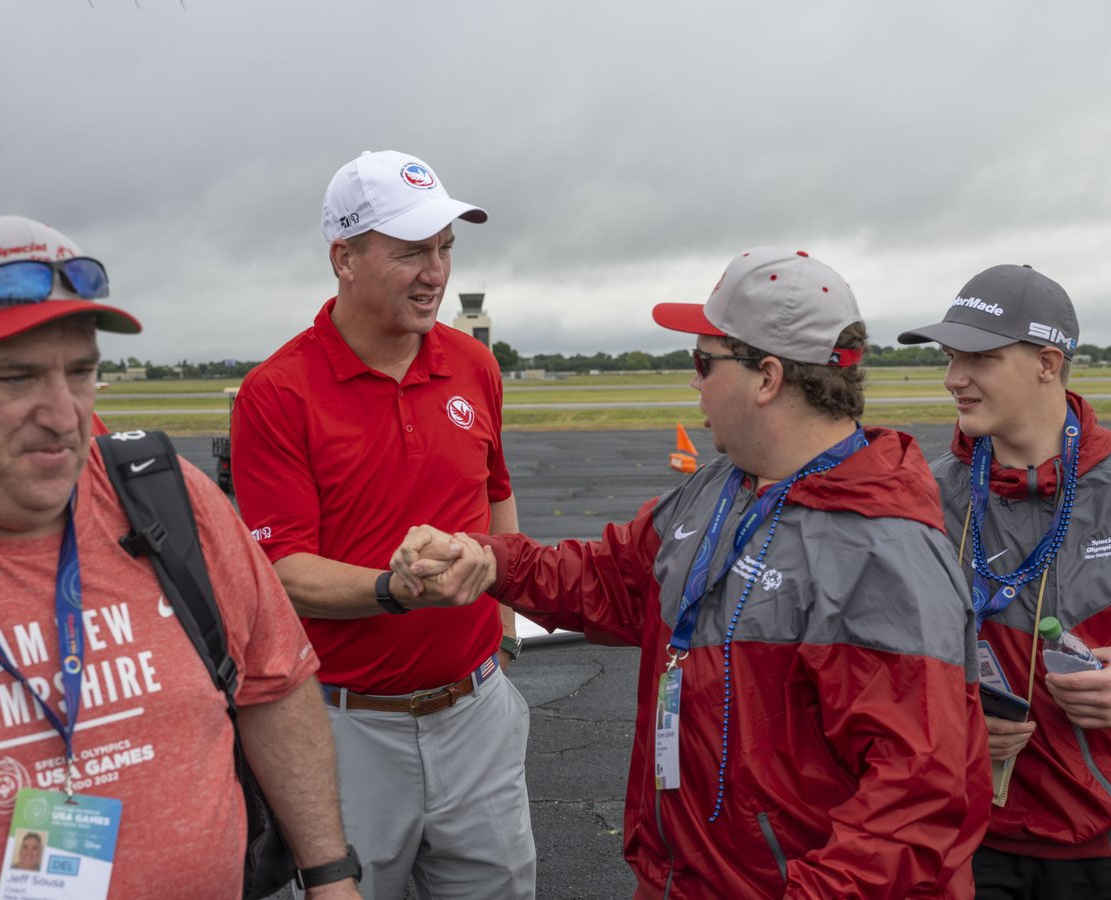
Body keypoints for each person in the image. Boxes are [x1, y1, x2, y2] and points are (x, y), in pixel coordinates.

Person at [392, 247, 993, 897]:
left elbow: (915, 799)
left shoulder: (883, 551)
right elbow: (613, 580)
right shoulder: (720, 488)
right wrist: (489, 561)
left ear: (767, 378)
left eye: (704, 362)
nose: (692, 383)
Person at [0, 215, 361, 899]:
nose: (62, 413)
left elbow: (275, 684)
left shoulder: (166, 497)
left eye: (81, 371)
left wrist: (329, 875)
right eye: (16, 377)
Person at [230, 150, 534, 900]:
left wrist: (503, 621)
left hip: (478, 712)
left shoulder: (473, 365)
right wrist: (393, 590)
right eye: (411, 253)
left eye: (445, 248)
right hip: (347, 731)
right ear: (345, 259)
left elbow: (496, 495)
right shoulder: (277, 392)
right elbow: (281, 570)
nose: (436, 273)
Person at [899, 265, 1111, 896]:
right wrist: (954, 718)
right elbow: (883, 665)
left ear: (1048, 362)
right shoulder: (923, 494)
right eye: (950, 356)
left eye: (979, 357)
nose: (952, 378)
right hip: (970, 839)